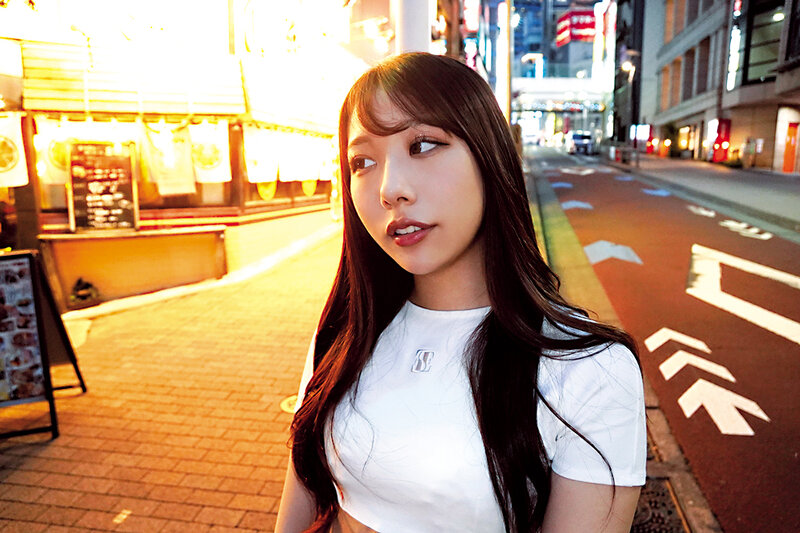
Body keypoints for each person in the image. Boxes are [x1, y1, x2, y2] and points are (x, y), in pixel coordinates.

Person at [276, 52, 645, 533]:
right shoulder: (345, 331)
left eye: (423, 144)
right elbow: (302, 490)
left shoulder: (587, 368)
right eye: (362, 162)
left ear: (489, 157)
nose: (390, 189)